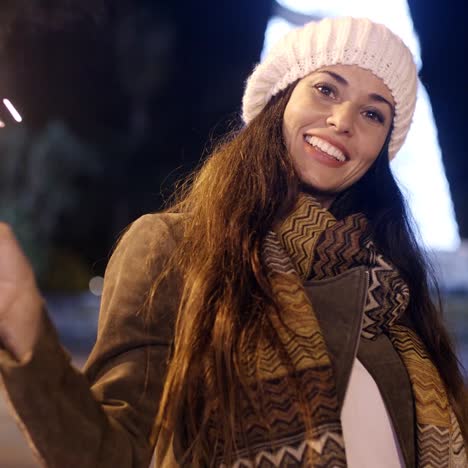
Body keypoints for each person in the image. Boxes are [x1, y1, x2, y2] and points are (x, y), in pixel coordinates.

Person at [0, 16, 466, 468]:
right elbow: (114, 455)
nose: (343, 120)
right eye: (326, 89)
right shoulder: (172, 249)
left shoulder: (394, 292)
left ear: (382, 147)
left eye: (372, 114)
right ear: (280, 98)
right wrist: (26, 335)